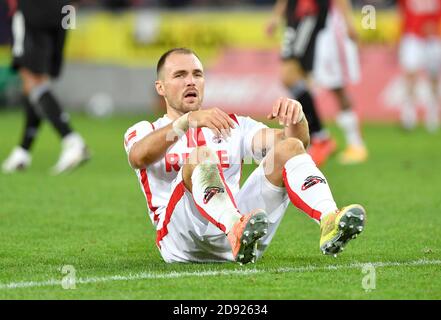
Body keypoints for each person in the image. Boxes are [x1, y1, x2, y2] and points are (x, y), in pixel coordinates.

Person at [123, 48, 366, 264]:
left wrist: (298, 117)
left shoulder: (232, 125)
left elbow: (297, 144)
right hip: (181, 241)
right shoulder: (145, 130)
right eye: (180, 75)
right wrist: (187, 122)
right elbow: (138, 157)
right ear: (160, 87)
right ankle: (234, 227)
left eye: (197, 74)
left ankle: (329, 219)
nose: (191, 82)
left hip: (244, 234)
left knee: (289, 147)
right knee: (200, 156)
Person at [2, 0, 90, 174]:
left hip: (33, 9)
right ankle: (23, 151)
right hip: (66, 11)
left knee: (31, 79)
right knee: (38, 83)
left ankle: (72, 140)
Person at [266, 0, 337, 167]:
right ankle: (317, 137)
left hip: (308, 11)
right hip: (297, 13)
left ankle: (320, 137)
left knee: (289, 73)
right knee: (296, 76)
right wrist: (277, 16)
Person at [313, 0, 368, 164]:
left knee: (337, 87)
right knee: (329, 86)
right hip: (319, 25)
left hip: (331, 28)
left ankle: (356, 144)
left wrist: (349, 24)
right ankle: (322, 139)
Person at [397, 0, 441, 132]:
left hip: (433, 37)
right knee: (410, 76)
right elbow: (402, 12)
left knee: (433, 77)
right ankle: (409, 116)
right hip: (412, 36)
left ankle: (432, 115)